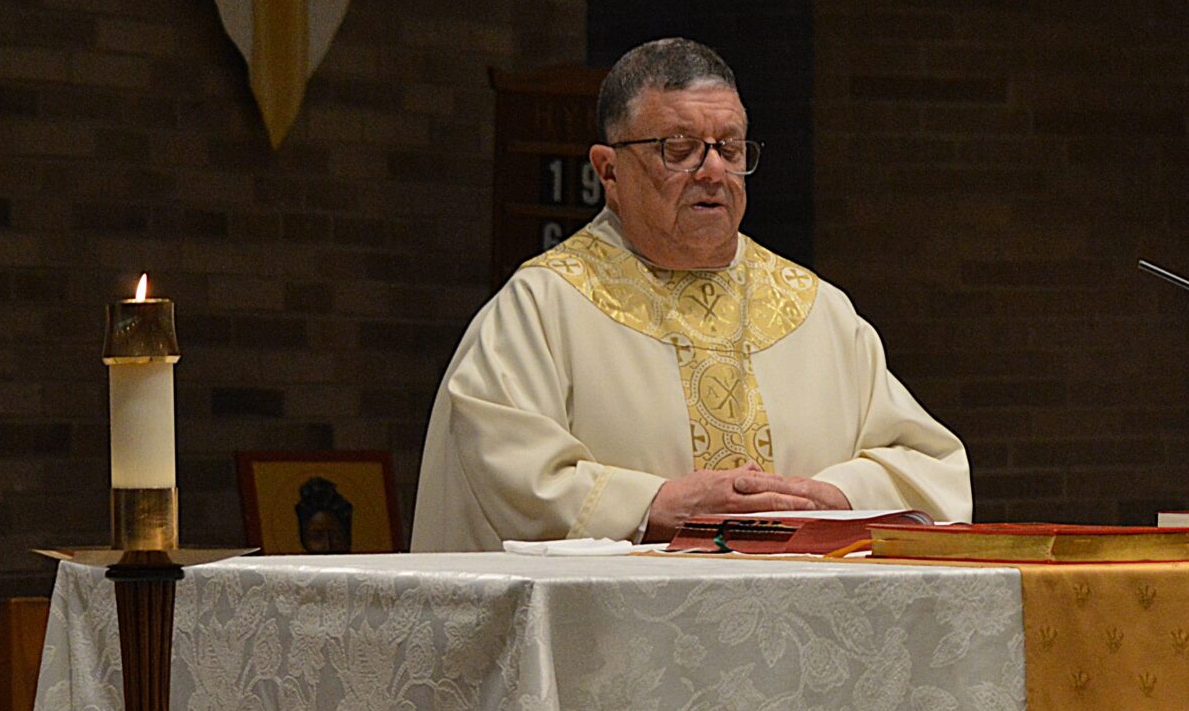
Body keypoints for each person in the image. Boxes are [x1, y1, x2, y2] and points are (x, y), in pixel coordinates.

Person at [412, 38, 970, 548]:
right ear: (609, 171)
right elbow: (504, 469)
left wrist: (836, 498)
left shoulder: (818, 311)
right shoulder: (542, 307)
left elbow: (930, 467)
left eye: (730, 148)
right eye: (679, 149)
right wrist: (652, 506)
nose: (713, 171)